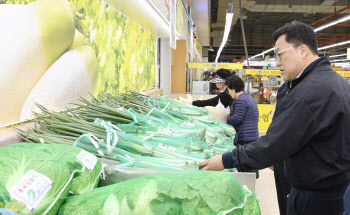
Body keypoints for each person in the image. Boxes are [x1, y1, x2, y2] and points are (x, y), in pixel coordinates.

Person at [199, 21, 350, 215]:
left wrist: (227, 160)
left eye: (279, 54)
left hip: (316, 197)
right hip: (330, 186)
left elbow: (276, 142)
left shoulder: (312, 92)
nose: (276, 62)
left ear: (302, 50)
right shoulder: (330, 82)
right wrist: (279, 160)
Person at [226, 75, 259, 178]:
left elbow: (237, 119)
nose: (229, 93)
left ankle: (247, 187)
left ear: (234, 89)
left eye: (229, 90)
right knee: (250, 164)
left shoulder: (240, 100)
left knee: (245, 166)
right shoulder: (248, 98)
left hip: (245, 138)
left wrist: (223, 119)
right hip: (252, 136)